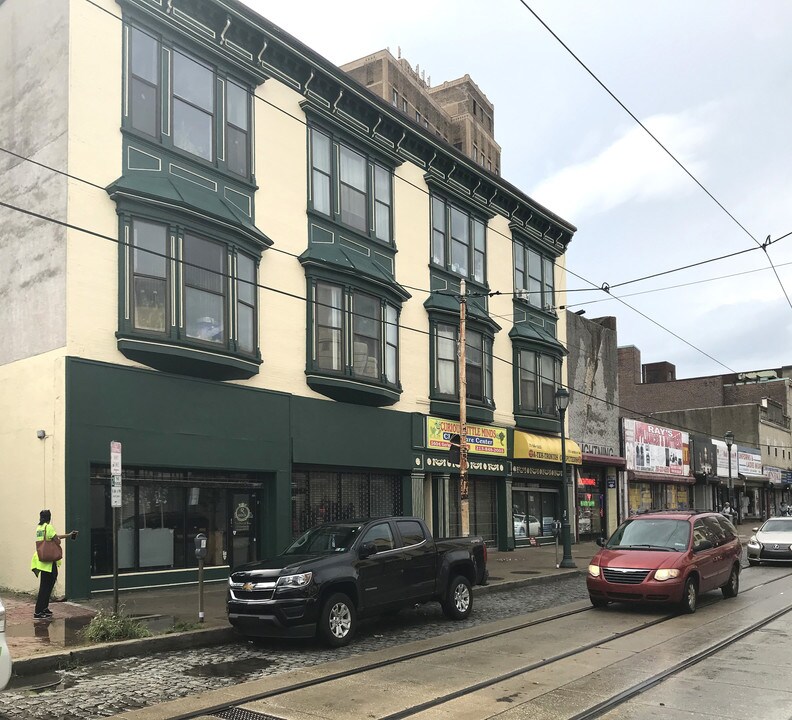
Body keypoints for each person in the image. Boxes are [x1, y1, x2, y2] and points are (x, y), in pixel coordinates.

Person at [30, 510, 78, 620]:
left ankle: (44, 609)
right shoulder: (49, 527)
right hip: (49, 562)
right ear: (49, 518)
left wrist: (68, 535)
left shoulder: (39, 528)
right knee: (46, 587)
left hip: (42, 560)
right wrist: (61, 538)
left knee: (45, 586)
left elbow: (53, 537)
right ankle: (39, 611)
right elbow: (57, 540)